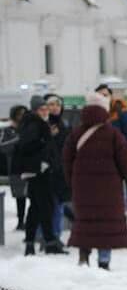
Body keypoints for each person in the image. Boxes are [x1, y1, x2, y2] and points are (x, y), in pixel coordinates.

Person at [63, 92, 127, 270]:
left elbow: (66, 160)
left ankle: (83, 258)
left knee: (85, 223)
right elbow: (124, 161)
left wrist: (72, 181)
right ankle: (104, 262)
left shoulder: (76, 134)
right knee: (106, 226)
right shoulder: (113, 134)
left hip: (82, 189)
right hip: (108, 191)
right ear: (104, 110)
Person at [14, 97, 67, 255]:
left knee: (38, 208)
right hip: (39, 172)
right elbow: (27, 146)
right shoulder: (35, 124)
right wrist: (45, 140)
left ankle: (35, 243)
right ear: (35, 110)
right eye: (42, 109)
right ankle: (48, 242)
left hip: (39, 171)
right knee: (44, 207)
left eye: (46, 109)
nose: (45, 112)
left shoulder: (35, 123)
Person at [45, 94, 71, 240]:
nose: (54, 108)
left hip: (61, 172)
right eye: (51, 104)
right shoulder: (43, 124)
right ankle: (47, 236)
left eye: (57, 105)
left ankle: (56, 236)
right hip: (47, 171)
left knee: (58, 206)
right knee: (47, 206)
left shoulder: (64, 124)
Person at [1, 105, 27, 230]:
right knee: (19, 196)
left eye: (24, 114)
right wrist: (17, 142)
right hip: (16, 167)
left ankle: (32, 221)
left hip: (29, 166)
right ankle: (21, 221)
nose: (21, 116)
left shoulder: (30, 129)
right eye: (19, 114)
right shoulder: (8, 130)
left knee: (34, 197)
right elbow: (4, 148)